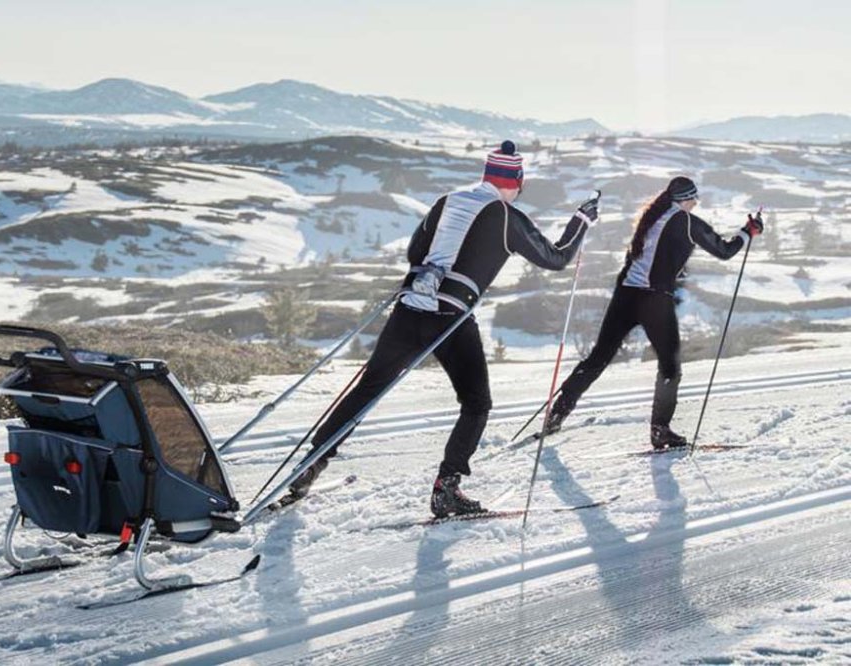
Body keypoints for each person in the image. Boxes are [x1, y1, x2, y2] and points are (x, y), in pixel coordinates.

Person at [284, 140, 598, 517]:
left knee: (368, 388)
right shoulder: (504, 215)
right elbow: (556, 257)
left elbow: (415, 253)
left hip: (409, 308)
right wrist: (581, 221)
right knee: (476, 403)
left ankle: (313, 463)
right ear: (515, 181)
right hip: (450, 318)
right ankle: (447, 488)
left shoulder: (448, 200)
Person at [542, 176, 764, 449]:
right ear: (687, 199)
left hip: (625, 294)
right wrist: (748, 231)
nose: (696, 203)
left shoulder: (652, 217)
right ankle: (660, 430)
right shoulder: (684, 221)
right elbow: (724, 250)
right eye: (694, 199)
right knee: (670, 366)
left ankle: (556, 414)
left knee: (598, 357)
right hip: (654, 300)